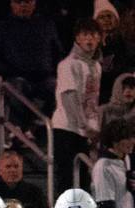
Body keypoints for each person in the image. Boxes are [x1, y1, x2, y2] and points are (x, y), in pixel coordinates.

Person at [52, 19, 103, 196]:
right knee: (67, 176)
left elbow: (92, 99)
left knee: (84, 177)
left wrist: (94, 126)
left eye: (93, 35)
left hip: (86, 128)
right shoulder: (68, 64)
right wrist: (82, 124)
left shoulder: (96, 66)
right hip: (67, 127)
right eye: (85, 35)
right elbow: (68, 96)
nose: (89, 39)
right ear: (77, 38)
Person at [92, 118, 133, 208]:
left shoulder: (126, 159)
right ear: (115, 141)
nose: (132, 142)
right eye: (127, 138)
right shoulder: (103, 166)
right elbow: (104, 205)